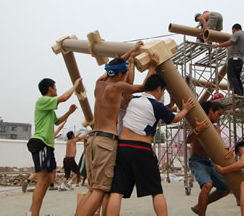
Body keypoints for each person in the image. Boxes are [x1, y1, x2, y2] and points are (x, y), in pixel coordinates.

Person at [75, 50, 159, 216]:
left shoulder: (99, 84)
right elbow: (144, 87)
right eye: (125, 72)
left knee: (93, 189)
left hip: (93, 139)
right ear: (120, 73)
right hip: (106, 141)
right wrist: (152, 67)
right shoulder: (119, 86)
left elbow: (111, 70)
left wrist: (130, 54)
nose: (126, 75)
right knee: (99, 191)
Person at [106, 74, 196, 216]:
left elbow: (154, 112)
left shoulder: (132, 100)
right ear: (159, 88)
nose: (162, 94)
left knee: (117, 191)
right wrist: (185, 109)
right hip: (141, 149)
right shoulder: (156, 105)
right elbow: (174, 118)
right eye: (163, 91)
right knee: (156, 191)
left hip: (123, 147)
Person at [26, 77, 81, 216]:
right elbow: (63, 98)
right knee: (43, 179)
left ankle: (33, 212)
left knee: (49, 179)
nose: (56, 89)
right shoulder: (42, 100)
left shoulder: (48, 106)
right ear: (49, 88)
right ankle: (33, 213)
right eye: (55, 87)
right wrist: (75, 86)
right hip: (40, 142)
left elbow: (57, 122)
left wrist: (69, 112)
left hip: (48, 145)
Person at [187, 101, 231, 216]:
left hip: (209, 161)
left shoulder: (216, 129)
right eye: (218, 114)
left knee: (226, 188)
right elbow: (188, 140)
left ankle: (199, 207)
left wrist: (228, 149)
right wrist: (197, 130)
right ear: (211, 111)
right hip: (197, 160)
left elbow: (219, 146)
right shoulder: (199, 123)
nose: (219, 118)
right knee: (207, 184)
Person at [23, 120, 68, 192]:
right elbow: (59, 128)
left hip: (42, 151)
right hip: (48, 152)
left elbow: (53, 136)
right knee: (52, 169)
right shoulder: (49, 136)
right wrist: (64, 122)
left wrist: (55, 137)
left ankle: (28, 180)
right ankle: (51, 185)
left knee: (39, 170)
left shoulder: (45, 136)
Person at [213, 23, 244, 96]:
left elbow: (230, 42)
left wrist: (218, 45)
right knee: (237, 77)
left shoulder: (237, 34)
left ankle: (237, 93)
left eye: (232, 31)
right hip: (240, 59)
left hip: (234, 58)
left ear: (234, 29)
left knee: (231, 76)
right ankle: (240, 93)